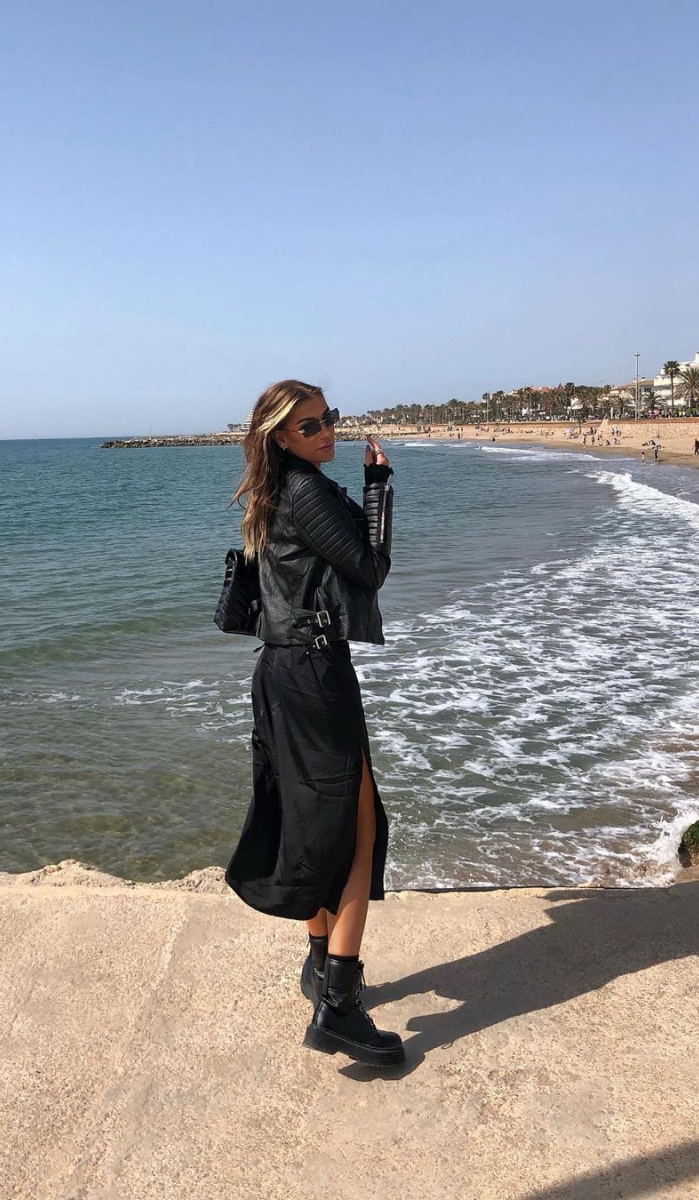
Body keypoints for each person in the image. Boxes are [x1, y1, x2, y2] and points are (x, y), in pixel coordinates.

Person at [224, 379, 403, 1067]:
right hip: (316, 676)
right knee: (358, 833)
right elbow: (371, 570)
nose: (326, 432)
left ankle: (316, 960)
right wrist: (380, 488)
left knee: (306, 821)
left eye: (329, 420)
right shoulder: (306, 492)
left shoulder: (275, 495)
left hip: (280, 671)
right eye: (309, 427)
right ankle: (339, 1005)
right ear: (279, 437)